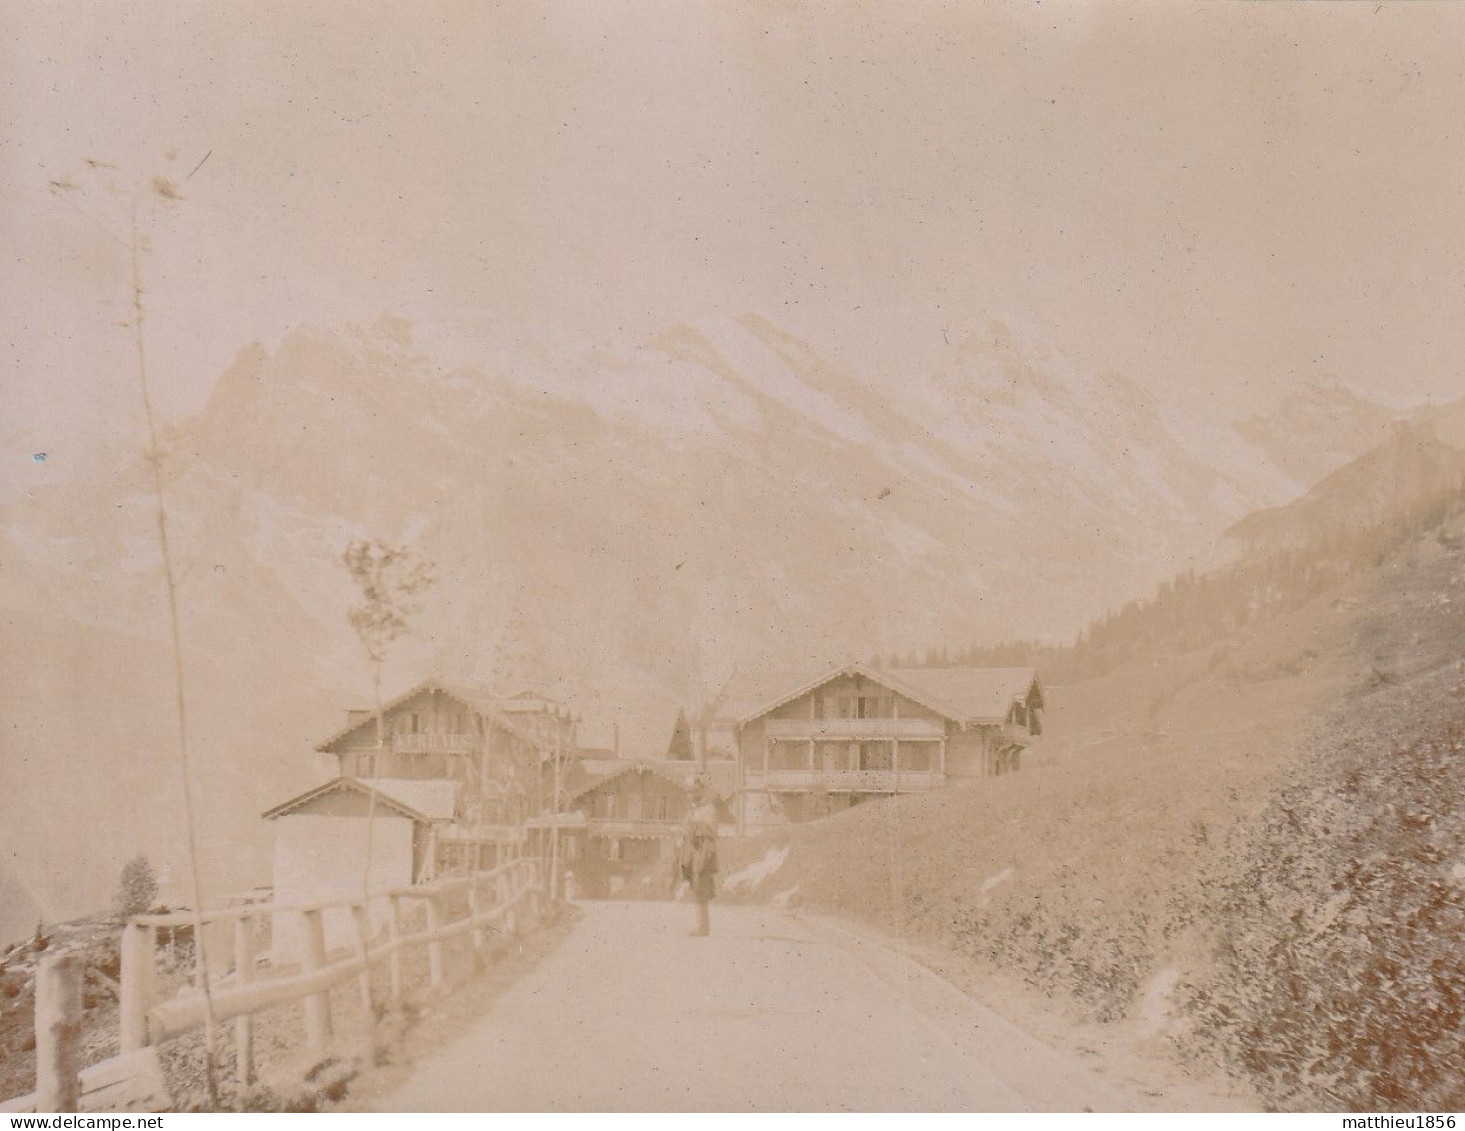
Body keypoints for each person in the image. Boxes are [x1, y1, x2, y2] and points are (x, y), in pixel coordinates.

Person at [672, 781, 719, 936]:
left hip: (703, 851)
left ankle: (702, 927)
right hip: (693, 852)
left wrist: (701, 859)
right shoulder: (694, 810)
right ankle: (700, 925)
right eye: (688, 792)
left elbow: (707, 835)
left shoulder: (707, 809)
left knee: (701, 889)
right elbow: (689, 830)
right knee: (697, 889)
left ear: (701, 791)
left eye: (694, 791)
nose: (690, 795)